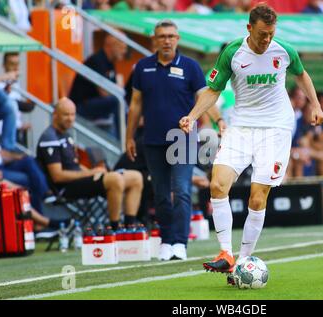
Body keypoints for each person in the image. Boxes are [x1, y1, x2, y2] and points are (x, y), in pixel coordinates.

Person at [178, 4, 323, 283]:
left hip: (276, 129)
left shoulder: (284, 51)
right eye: (261, 34)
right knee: (217, 184)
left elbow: (302, 74)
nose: (266, 39)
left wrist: (315, 104)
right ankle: (226, 254)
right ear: (249, 29)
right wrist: (192, 116)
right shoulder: (233, 52)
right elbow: (213, 90)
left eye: (270, 34)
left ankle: (243, 260)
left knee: (257, 196)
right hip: (241, 126)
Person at [125, 20, 207, 261]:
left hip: (183, 139)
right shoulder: (142, 67)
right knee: (160, 194)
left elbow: (204, 98)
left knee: (181, 190)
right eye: (162, 36)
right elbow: (135, 104)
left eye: (171, 36)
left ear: (178, 39)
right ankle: (167, 240)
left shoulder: (191, 67)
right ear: (154, 40)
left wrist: (219, 121)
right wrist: (129, 136)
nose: (167, 40)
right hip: (152, 139)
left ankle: (180, 242)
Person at [37, 97, 143, 231]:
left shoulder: (66, 135)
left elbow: (74, 166)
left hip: (79, 180)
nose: (70, 118)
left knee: (136, 177)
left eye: (73, 114)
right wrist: (90, 173)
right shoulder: (49, 138)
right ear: (55, 115)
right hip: (65, 188)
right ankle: (115, 229)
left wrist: (96, 172)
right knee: (114, 179)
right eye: (66, 114)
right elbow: (57, 176)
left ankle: (130, 227)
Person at [69, 33, 127, 138]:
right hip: (79, 107)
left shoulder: (110, 62)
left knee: (123, 100)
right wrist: (118, 90)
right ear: (111, 45)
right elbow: (105, 93)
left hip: (94, 104)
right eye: (121, 47)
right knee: (117, 101)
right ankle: (123, 139)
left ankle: (128, 137)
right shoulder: (97, 60)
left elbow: (114, 89)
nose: (124, 51)